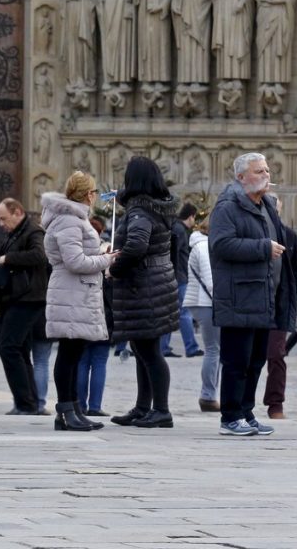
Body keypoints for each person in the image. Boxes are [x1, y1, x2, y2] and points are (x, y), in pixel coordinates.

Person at [209, 152, 296, 437]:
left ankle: (246, 411)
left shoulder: (267, 205)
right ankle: (230, 416)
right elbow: (221, 245)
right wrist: (261, 248)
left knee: (257, 359)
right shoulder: (227, 206)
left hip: (265, 296)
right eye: (259, 171)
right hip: (239, 296)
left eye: (267, 170)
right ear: (241, 177)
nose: (266, 175)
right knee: (237, 360)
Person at [109, 156, 180, 429]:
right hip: (157, 283)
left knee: (149, 351)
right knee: (143, 348)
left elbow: (137, 246)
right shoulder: (158, 209)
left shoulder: (140, 211)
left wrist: (115, 268)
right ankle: (143, 407)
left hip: (144, 287)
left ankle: (161, 410)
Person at [41, 173, 116, 432]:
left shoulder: (74, 219)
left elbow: (81, 255)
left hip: (78, 292)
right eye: (94, 192)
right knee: (69, 352)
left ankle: (73, 408)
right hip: (70, 292)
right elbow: (74, 262)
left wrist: (101, 253)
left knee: (74, 352)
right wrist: (105, 260)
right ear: (88, 194)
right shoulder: (70, 221)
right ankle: (65, 410)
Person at [0, 198, 49, 416]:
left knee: (9, 347)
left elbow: (39, 256)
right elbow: (8, 260)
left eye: (4, 218)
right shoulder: (15, 233)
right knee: (20, 349)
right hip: (17, 297)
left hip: (28, 298)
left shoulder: (33, 231)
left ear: (17, 212)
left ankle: (26, 403)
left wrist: (8, 259)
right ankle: (28, 402)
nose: (1, 223)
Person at [262, 195, 297, 420]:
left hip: (279, 305)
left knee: (276, 355)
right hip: (255, 303)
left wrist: (293, 299)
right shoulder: (254, 232)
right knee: (247, 356)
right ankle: (240, 403)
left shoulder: (289, 236)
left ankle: (275, 404)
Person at [76, 217, 114, 417]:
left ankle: (80, 404)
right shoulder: (107, 254)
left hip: (83, 311)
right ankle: (95, 406)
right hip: (102, 314)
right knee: (99, 361)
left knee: (82, 360)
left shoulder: (78, 254)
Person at [185, 216, 219, 412]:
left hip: (204, 301)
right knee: (214, 349)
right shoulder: (204, 246)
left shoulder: (202, 244)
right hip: (206, 302)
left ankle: (210, 393)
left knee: (215, 349)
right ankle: (208, 395)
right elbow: (211, 280)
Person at [162, 202, 203, 358]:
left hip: (176, 276)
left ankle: (164, 347)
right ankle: (191, 347)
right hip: (179, 277)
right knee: (184, 313)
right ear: (191, 216)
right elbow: (175, 254)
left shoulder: (177, 228)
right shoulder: (180, 230)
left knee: (170, 313)